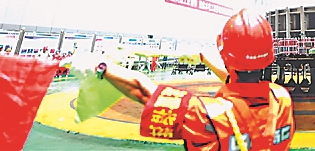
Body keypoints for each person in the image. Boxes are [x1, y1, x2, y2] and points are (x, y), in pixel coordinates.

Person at [88, 9, 295, 150]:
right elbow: (241, 84)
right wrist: (204, 59)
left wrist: (100, 66)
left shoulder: (205, 114)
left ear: (226, 56)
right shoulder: (281, 99)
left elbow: (143, 91)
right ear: (269, 57)